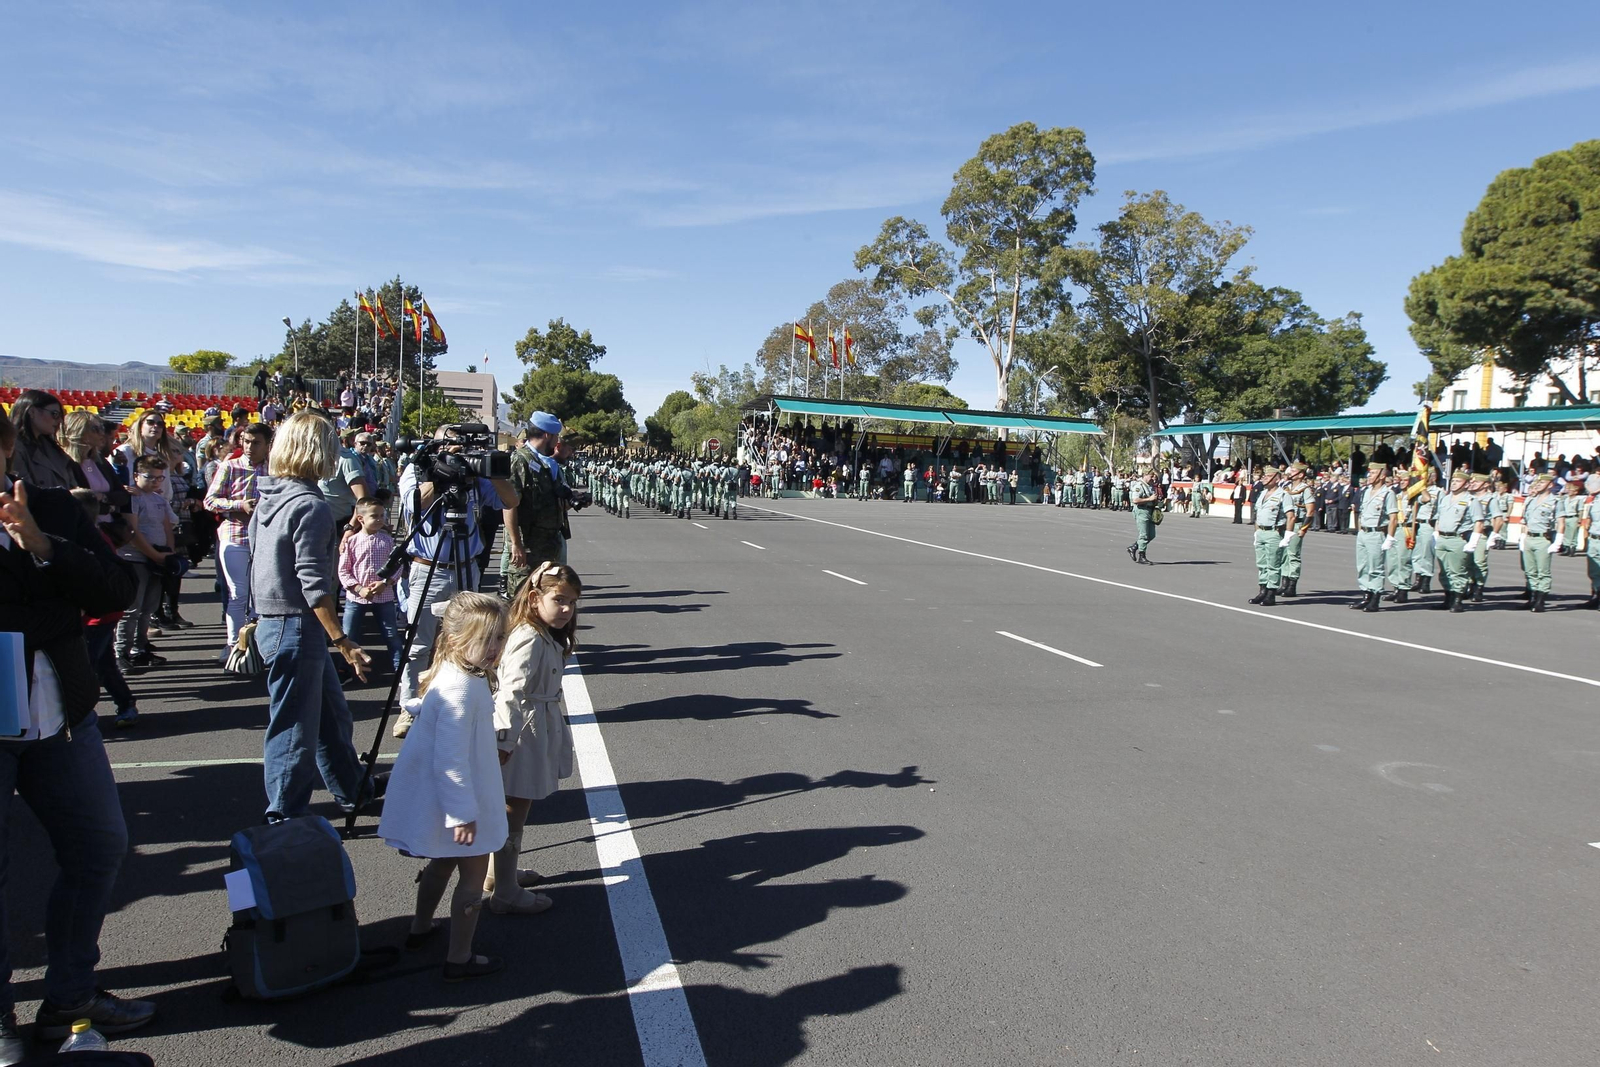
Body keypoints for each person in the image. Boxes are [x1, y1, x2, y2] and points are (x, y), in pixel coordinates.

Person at [0, 405, 151, 1053]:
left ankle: (69, 996)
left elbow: (114, 585)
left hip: (60, 714)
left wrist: (42, 546)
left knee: (97, 844)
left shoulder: (52, 509)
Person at [378, 592, 510, 981]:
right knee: (472, 878)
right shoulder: (462, 689)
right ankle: (460, 957)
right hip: (463, 799)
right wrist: (464, 814)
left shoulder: (454, 674)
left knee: (442, 861)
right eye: (486, 639)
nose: (495, 648)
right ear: (455, 640)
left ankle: (420, 927)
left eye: (500, 637)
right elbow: (451, 761)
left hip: (448, 797)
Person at [250, 410, 374, 818]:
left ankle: (352, 789)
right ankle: (283, 816)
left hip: (277, 620)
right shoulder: (310, 506)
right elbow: (314, 585)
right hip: (297, 624)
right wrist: (342, 640)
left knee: (328, 716)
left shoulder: (271, 496)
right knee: (294, 731)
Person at [396, 424, 517, 737]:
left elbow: (510, 500)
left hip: (466, 565)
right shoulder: (418, 467)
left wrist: (491, 469)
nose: (457, 450)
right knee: (418, 644)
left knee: (471, 639)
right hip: (428, 568)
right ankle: (410, 706)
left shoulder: (473, 473)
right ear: (434, 444)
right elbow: (414, 505)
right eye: (450, 444)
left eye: (461, 444)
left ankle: (464, 703)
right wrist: (441, 474)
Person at [485, 561, 580, 915]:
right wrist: (505, 741)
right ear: (536, 596)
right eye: (560, 600)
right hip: (521, 731)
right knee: (513, 812)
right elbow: (511, 692)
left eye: (572, 602)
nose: (567, 609)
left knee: (515, 809)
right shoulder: (528, 636)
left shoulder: (542, 633)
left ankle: (498, 874)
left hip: (535, 726)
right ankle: (505, 892)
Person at [205, 421, 271, 653]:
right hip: (235, 535)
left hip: (264, 539)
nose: (250, 447)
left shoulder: (274, 469)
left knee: (259, 595)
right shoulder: (230, 467)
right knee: (238, 593)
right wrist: (239, 505)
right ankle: (234, 644)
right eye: (246, 441)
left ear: (267, 445)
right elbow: (210, 500)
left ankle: (256, 644)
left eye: (256, 443)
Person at [113, 456, 179, 672]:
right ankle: (121, 651)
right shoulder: (132, 498)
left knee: (148, 608)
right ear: (136, 476)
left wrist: (168, 552)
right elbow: (132, 532)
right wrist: (152, 553)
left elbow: (167, 527)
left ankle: (140, 648)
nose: (155, 482)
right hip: (135, 558)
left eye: (159, 478)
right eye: (149, 476)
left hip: (157, 559)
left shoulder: (160, 500)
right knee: (132, 608)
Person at [501, 414, 563, 605]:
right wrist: (516, 544)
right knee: (520, 603)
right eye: (556, 436)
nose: (558, 441)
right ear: (547, 435)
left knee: (542, 604)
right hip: (527, 548)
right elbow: (509, 504)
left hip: (547, 546)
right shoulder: (520, 460)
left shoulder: (546, 463)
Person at [339, 500, 403, 674]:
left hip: (384, 596)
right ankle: (348, 668)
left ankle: (401, 670)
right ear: (360, 518)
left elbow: (398, 566)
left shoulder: (387, 541)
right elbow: (343, 571)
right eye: (374, 516)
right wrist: (359, 588)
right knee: (349, 635)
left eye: (382, 515)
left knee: (391, 635)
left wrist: (386, 583)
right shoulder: (351, 542)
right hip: (356, 598)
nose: (379, 519)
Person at [1432, 469, 1485, 613]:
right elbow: (1438, 518)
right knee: (1444, 571)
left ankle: (1457, 600)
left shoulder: (1471, 501)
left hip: (1458, 538)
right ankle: (1447, 597)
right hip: (1443, 537)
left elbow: (1478, 522)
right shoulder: (1444, 498)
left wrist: (1473, 542)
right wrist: (1436, 534)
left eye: (1458, 481)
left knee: (1457, 571)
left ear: (1467, 484)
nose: (1454, 484)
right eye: (1453, 481)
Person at [9, 390, 77, 489]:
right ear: (32, 412)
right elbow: (24, 491)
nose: (60, 421)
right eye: (55, 414)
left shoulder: (53, 449)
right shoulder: (13, 448)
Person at [1351, 466, 1397, 612]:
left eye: (1373, 473)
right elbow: (1361, 512)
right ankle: (1366, 594)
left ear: (1382, 476)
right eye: (1369, 473)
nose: (1369, 475)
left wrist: (1390, 537)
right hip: (1364, 532)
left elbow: (1393, 517)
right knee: (1362, 566)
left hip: (1376, 533)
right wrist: (1359, 530)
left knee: (1375, 567)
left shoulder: (1388, 494)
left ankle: (1375, 597)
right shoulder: (1366, 491)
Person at [1248, 466, 1291, 606]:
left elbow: (1291, 517)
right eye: (1264, 476)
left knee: (1273, 564)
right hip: (1261, 532)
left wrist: (1287, 536)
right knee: (1262, 564)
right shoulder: (1262, 494)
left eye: (1268, 476)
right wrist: (1256, 533)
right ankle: (1262, 590)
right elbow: (1257, 515)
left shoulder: (1283, 495)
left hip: (1274, 532)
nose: (1264, 478)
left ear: (1277, 479)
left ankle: (1271, 594)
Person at [1518, 473, 1559, 612]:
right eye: (1537, 483)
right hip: (1529, 537)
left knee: (1543, 572)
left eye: (1542, 483)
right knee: (1530, 571)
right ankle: (1532, 598)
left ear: (1550, 485)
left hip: (1543, 538)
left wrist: (1558, 541)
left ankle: (1540, 601)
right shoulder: (1530, 500)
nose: (1538, 485)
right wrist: (1523, 537)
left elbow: (1561, 522)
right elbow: (1526, 520)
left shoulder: (1555, 501)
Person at [1278, 463, 1315, 597]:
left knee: (1293, 555)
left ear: (1300, 474)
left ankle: (1291, 585)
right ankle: (1284, 583)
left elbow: (1310, 511)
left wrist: (1304, 529)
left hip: (1297, 524)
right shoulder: (1286, 487)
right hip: (1285, 524)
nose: (1290, 472)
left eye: (1293, 470)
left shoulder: (1305, 489)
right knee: (1284, 555)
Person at [1127, 471, 1157, 565]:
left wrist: (1155, 501)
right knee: (1143, 535)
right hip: (1141, 511)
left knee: (1151, 535)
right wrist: (1149, 499)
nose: (1153, 479)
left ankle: (1134, 547)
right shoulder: (1139, 486)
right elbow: (1135, 500)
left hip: (1150, 510)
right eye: (1151, 476)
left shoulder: (1150, 486)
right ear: (1145, 475)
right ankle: (1142, 556)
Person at [1581, 474, 1600, 609]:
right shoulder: (1595, 501)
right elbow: (1590, 520)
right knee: (1593, 571)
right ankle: (1596, 596)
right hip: (1594, 538)